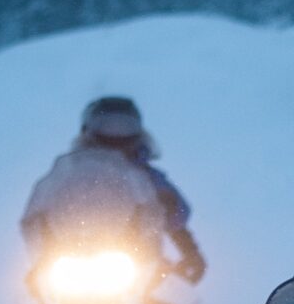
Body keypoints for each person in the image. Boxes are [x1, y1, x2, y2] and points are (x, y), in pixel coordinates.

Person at [21, 95, 205, 286]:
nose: (117, 134)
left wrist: (190, 250)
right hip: (69, 259)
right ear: (89, 130)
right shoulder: (70, 174)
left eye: (126, 126)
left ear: (138, 132)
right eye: (107, 125)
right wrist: (43, 254)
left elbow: (176, 213)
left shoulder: (147, 175)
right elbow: (40, 210)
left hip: (132, 262)